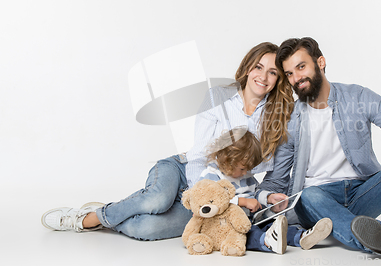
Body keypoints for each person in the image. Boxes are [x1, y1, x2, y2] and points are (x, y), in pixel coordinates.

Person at [41, 42, 294, 241]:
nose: (263, 76)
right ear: (248, 67)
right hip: (188, 172)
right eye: (259, 67)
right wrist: (201, 195)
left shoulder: (279, 117)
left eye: (272, 72)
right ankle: (91, 217)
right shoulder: (218, 96)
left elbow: (268, 176)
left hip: (225, 196)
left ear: (278, 79)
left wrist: (263, 197)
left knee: (147, 227)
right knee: (156, 201)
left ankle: (122, 210)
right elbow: (199, 155)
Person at [256, 37, 381, 257]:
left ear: (321, 62)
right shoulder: (291, 119)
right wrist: (258, 198)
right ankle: (373, 237)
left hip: (361, 193)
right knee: (307, 195)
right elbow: (276, 179)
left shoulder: (358, 97)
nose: (296, 78)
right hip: (317, 203)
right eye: (289, 74)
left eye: (301, 67)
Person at [198, 126, 332, 255]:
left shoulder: (245, 175)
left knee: (273, 224)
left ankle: (301, 236)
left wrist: (269, 198)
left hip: (253, 218)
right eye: (243, 168)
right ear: (228, 159)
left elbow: (255, 192)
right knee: (249, 233)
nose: (246, 173)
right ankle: (267, 242)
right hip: (228, 224)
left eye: (248, 169)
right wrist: (243, 201)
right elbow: (207, 201)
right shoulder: (211, 174)